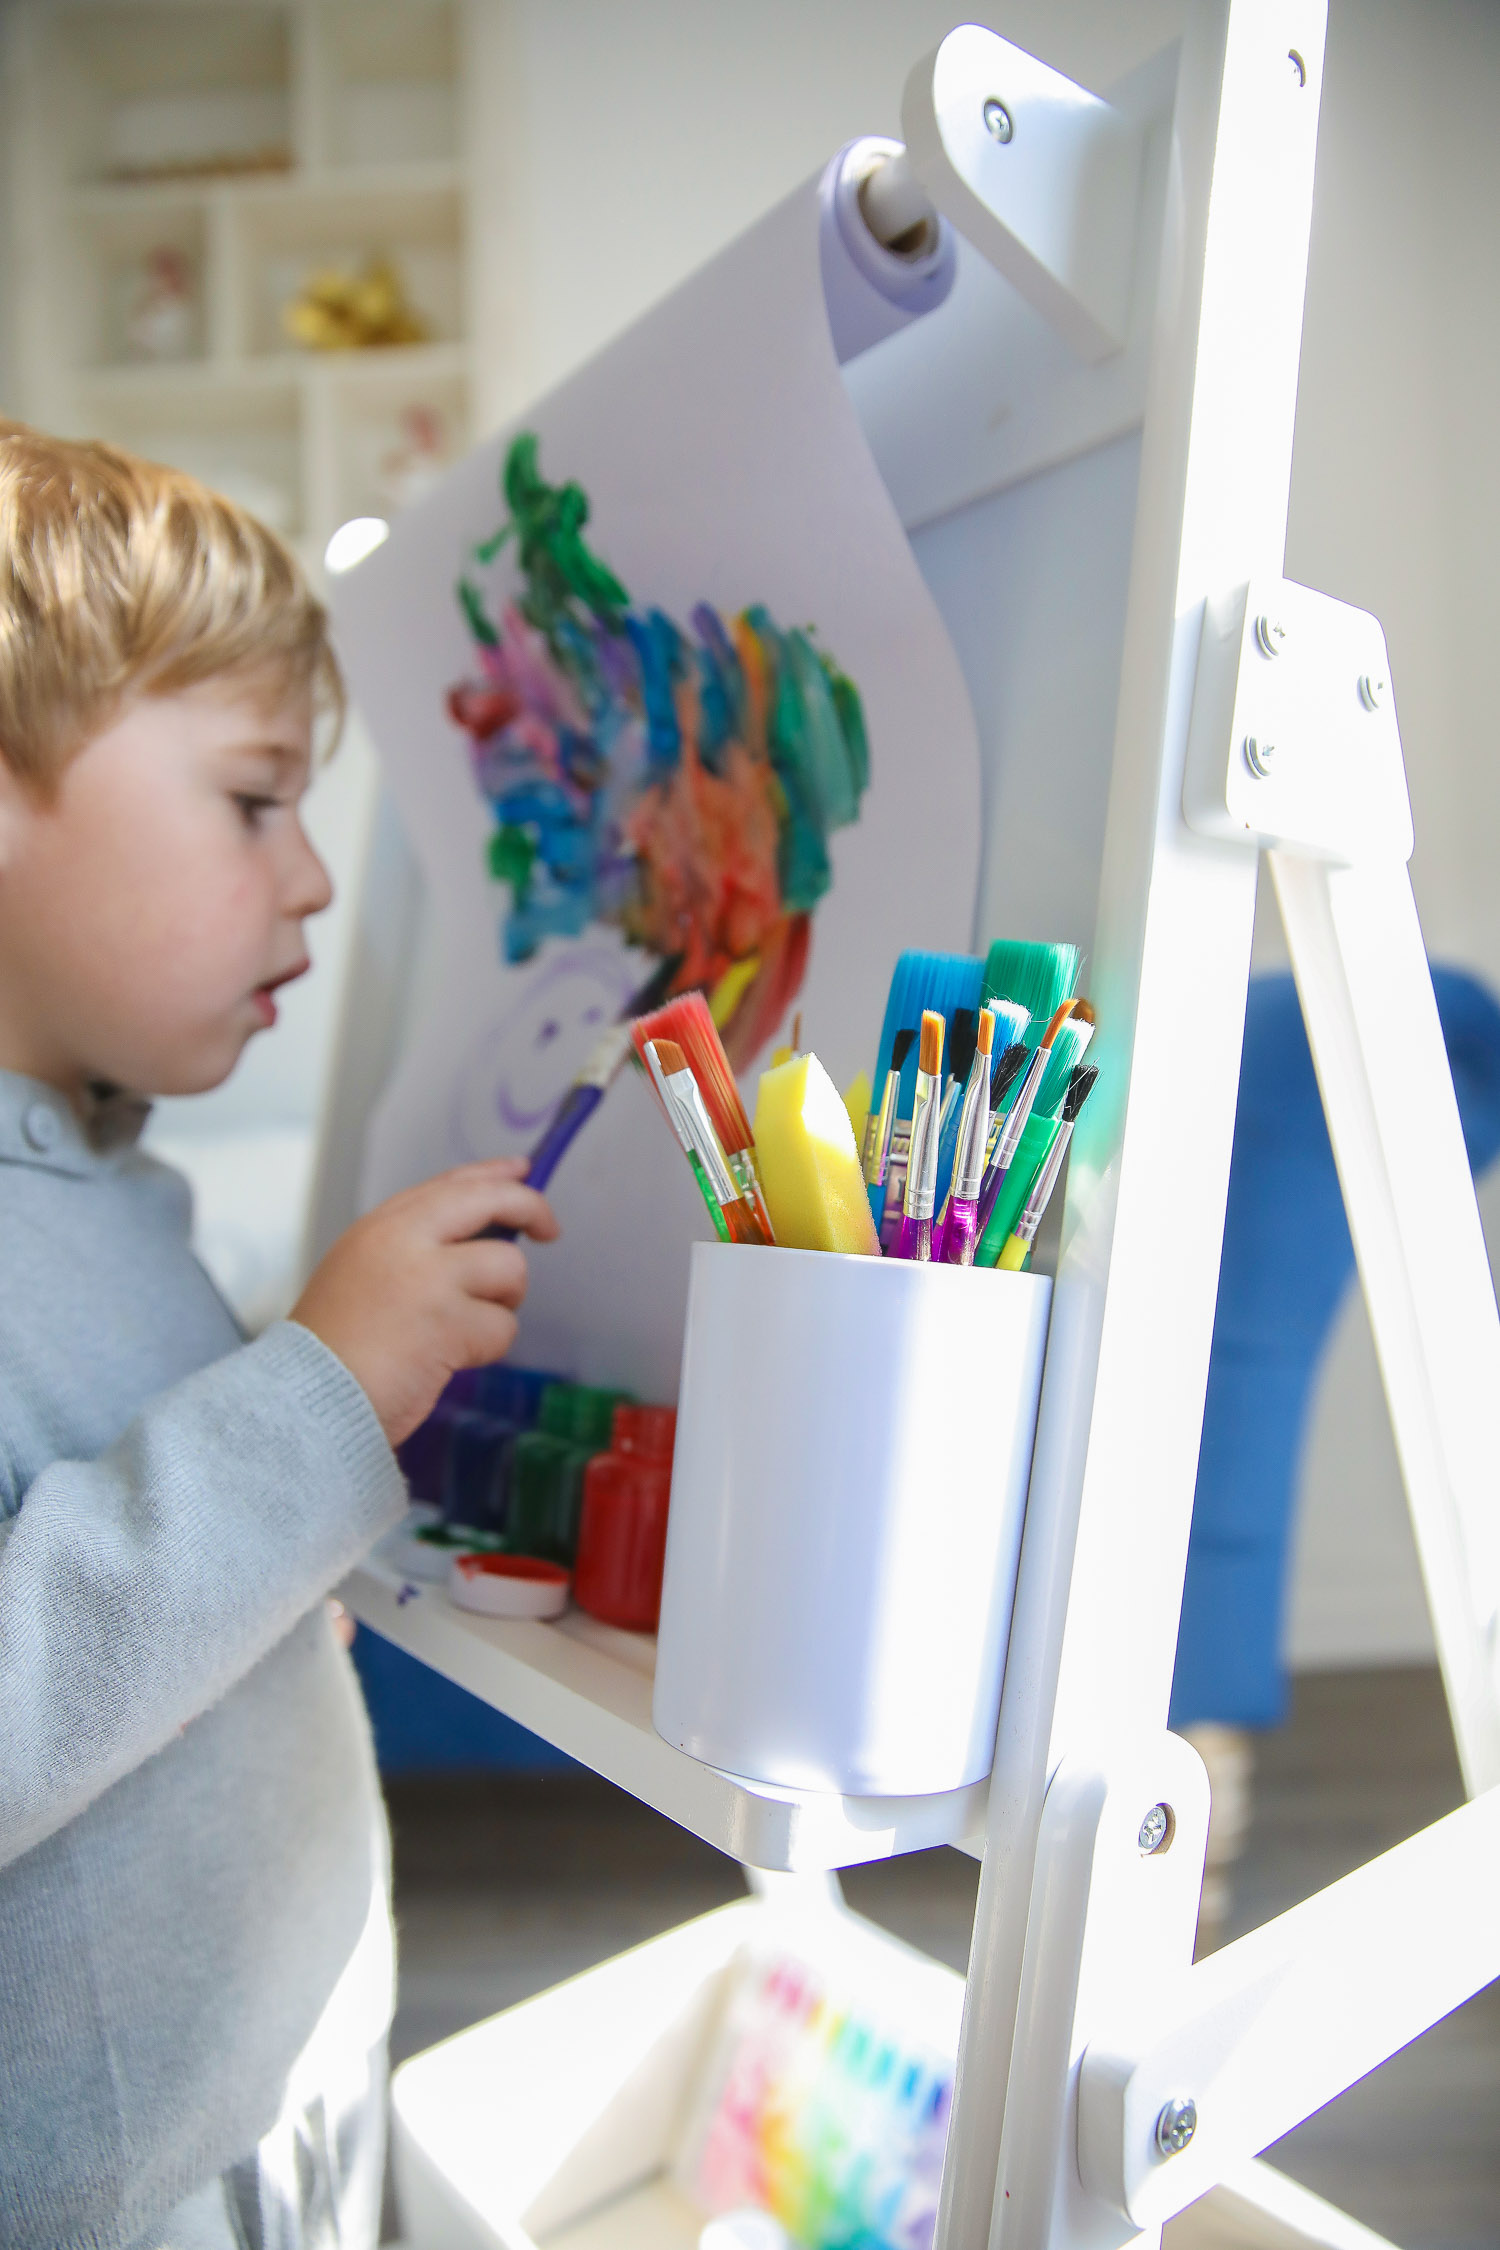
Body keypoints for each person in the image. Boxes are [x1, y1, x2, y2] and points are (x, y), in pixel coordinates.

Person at [0, 421, 559, 2250]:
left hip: (286, 2107)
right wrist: (311, 1406)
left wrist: (263, 1564)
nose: (314, 877)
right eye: (254, 800)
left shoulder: (101, 1171)